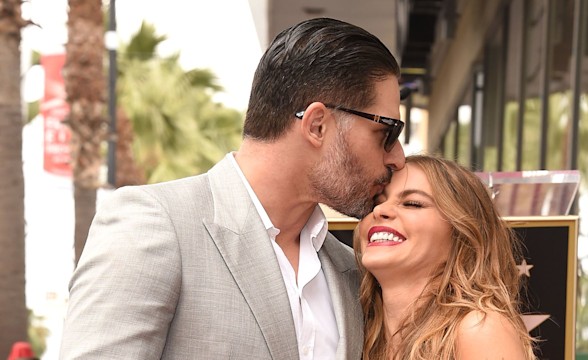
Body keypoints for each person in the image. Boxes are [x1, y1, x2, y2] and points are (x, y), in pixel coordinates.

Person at [59, 17, 405, 360]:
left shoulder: (348, 268)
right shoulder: (156, 225)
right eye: (387, 132)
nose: (398, 157)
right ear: (317, 125)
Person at [354, 154, 536, 360]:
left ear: (463, 233)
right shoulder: (353, 333)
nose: (380, 210)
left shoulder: (478, 329)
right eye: (374, 202)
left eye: (412, 203)